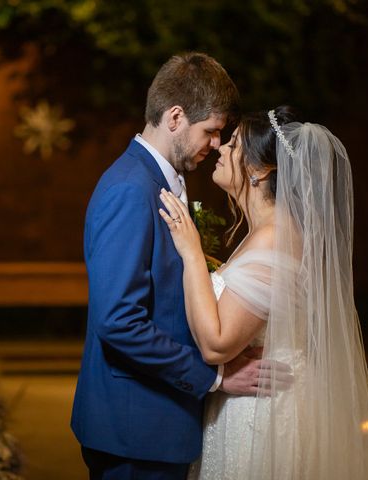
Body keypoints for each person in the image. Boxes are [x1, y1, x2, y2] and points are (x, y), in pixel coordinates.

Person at [71, 52, 280, 480]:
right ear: (175, 117)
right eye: (211, 131)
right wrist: (213, 379)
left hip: (156, 422)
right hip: (135, 428)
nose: (217, 144)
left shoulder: (161, 181)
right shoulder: (131, 189)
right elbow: (119, 322)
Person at [158, 106, 368, 479]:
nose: (220, 148)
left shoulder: (275, 240)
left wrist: (190, 254)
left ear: (262, 169)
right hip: (253, 401)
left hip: (263, 413)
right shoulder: (268, 234)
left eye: (234, 143)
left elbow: (216, 344)